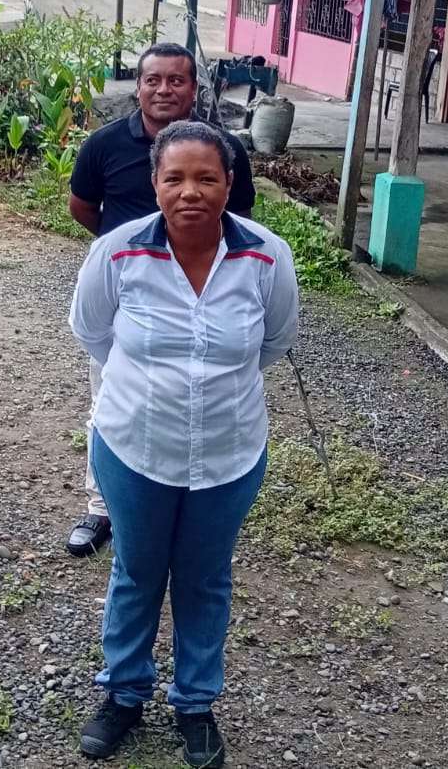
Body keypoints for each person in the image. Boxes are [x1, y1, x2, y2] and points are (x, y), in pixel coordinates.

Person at [69, 121, 298, 767]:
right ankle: (123, 693)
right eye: (174, 178)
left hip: (228, 452)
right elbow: (92, 333)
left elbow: (275, 340)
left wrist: (210, 387)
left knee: (204, 578)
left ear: (229, 183)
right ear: (155, 184)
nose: (190, 191)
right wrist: (156, 389)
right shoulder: (116, 253)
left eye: (206, 178)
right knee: (137, 571)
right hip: (134, 445)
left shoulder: (267, 256)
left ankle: (195, 703)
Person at [64, 43, 257, 557]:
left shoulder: (223, 150)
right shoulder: (104, 145)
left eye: (176, 80)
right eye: (153, 79)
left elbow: (239, 220)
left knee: (200, 397)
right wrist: (123, 252)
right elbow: (82, 206)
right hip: (129, 297)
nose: (164, 89)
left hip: (203, 293)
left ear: (194, 89)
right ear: (138, 87)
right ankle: (101, 507)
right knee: (108, 401)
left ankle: (190, 497)